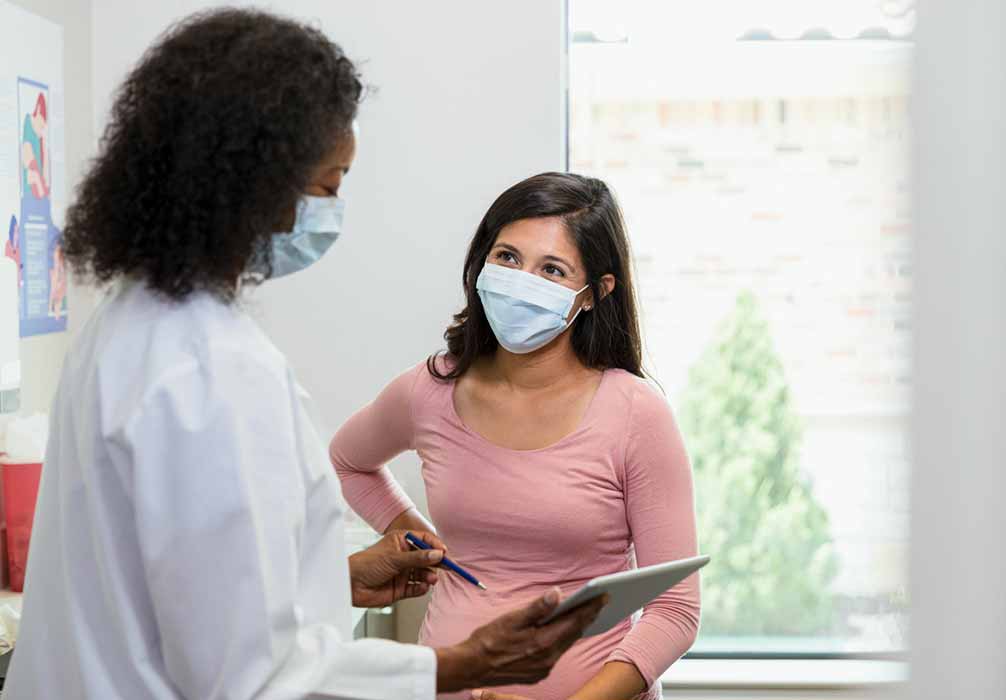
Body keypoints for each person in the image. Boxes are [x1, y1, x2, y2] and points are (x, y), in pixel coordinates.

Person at [4, 10, 604, 700]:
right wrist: (467, 664)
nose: (332, 211)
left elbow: (178, 588)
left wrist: (336, 577)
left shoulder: (126, 324)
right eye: (328, 187)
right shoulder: (214, 372)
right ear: (249, 185)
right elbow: (252, 677)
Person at [331, 172, 701, 700]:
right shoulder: (431, 388)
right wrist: (417, 535)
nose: (521, 280)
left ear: (595, 294)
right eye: (507, 257)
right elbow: (348, 462)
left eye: (551, 269)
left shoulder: (636, 413)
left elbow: (676, 609)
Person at [21, 93, 49, 199]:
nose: (41, 131)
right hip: (30, 197)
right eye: (41, 126)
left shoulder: (39, 140)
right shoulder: (28, 129)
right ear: (37, 110)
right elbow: (41, 192)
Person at [4, 215, 20, 287]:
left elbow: (21, 263)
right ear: (12, 231)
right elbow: (8, 263)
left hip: (20, 279)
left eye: (18, 231)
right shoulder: (8, 244)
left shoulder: (20, 245)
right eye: (15, 231)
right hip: (10, 278)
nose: (17, 233)